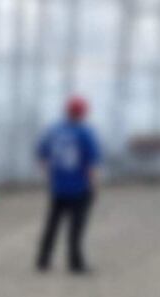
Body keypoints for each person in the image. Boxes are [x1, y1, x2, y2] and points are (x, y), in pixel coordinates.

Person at [35, 95, 101, 274]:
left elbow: (42, 155)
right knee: (76, 227)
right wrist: (94, 186)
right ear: (82, 113)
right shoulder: (85, 132)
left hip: (58, 186)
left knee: (52, 225)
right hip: (79, 187)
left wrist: (49, 176)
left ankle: (43, 260)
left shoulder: (54, 130)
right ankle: (75, 263)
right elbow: (91, 164)